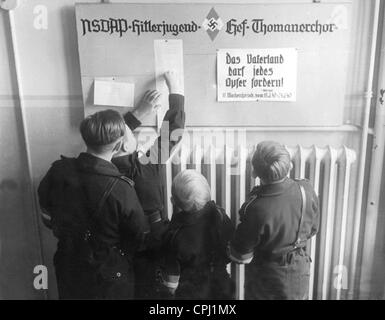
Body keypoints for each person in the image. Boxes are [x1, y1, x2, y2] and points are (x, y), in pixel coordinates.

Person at [37, 92, 161, 299]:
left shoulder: (57, 170)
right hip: (108, 275)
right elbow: (139, 237)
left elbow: (46, 216)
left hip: (68, 264)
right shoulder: (121, 189)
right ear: (121, 145)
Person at [111, 71, 185, 299]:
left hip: (121, 243)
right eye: (130, 134)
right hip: (153, 238)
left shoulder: (106, 166)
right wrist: (176, 91)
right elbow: (173, 131)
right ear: (124, 146)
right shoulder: (145, 163)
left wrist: (135, 116)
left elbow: (108, 137)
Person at [229, 141, 320, 300]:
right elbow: (313, 229)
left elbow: (241, 257)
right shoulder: (306, 190)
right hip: (298, 272)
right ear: (290, 166)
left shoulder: (255, 208)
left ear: (254, 173)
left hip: (265, 279)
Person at [158, 170, 235, 300]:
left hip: (190, 291)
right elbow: (231, 251)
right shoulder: (220, 216)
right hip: (221, 285)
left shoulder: (174, 234)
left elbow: (171, 282)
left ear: (173, 201)